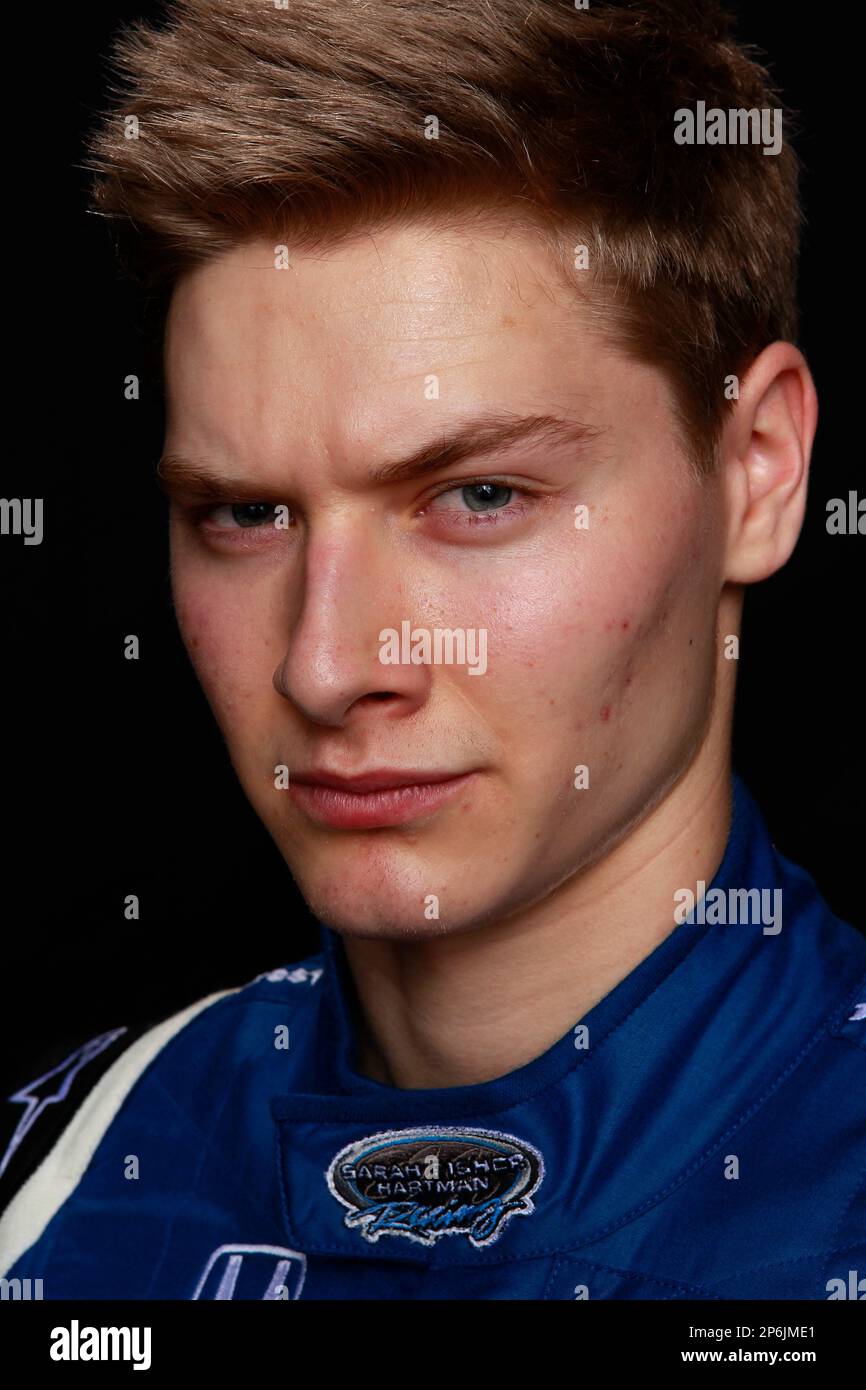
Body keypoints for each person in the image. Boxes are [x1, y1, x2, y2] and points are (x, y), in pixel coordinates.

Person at [1, 0, 863, 1301]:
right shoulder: (54, 1179)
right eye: (245, 513)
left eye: (476, 497)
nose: (328, 664)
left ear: (754, 474)